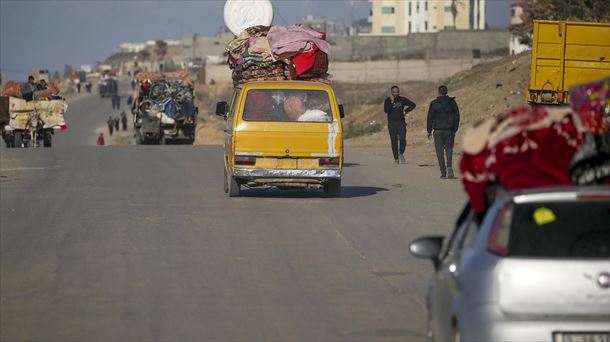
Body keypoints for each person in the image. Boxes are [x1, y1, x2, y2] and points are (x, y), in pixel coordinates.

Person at [427, 85, 460, 179]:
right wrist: (455, 128)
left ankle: (443, 172)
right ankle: (449, 167)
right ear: (446, 92)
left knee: (439, 151)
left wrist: (429, 130)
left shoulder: (434, 103)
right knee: (449, 149)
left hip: (438, 130)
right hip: (449, 130)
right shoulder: (452, 102)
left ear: (438, 92)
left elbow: (430, 117)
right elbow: (457, 116)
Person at [384, 86, 416, 164]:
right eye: (394, 92)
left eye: (397, 92)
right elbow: (386, 111)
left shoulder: (402, 99)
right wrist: (391, 102)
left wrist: (406, 111)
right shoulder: (388, 100)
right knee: (394, 141)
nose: (396, 93)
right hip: (392, 124)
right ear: (391, 92)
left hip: (401, 123)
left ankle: (401, 153)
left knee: (402, 139)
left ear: (399, 92)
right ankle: (396, 159)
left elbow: (413, 105)